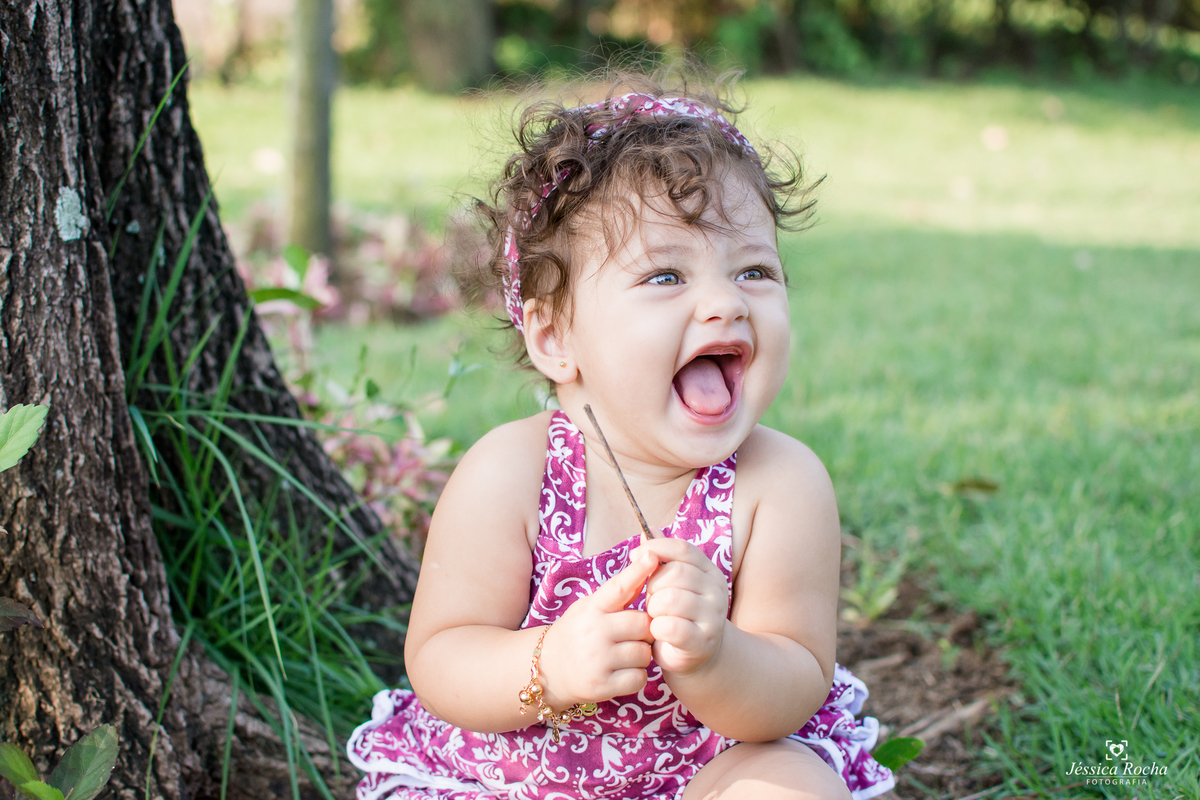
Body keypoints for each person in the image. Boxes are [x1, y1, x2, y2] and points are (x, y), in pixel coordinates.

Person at [347, 73, 896, 800]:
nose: (725, 303)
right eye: (667, 276)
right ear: (553, 335)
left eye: (755, 270)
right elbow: (443, 655)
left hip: (704, 769)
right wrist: (549, 663)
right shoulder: (512, 472)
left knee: (791, 784)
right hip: (514, 777)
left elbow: (793, 682)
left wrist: (717, 658)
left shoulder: (779, 484)